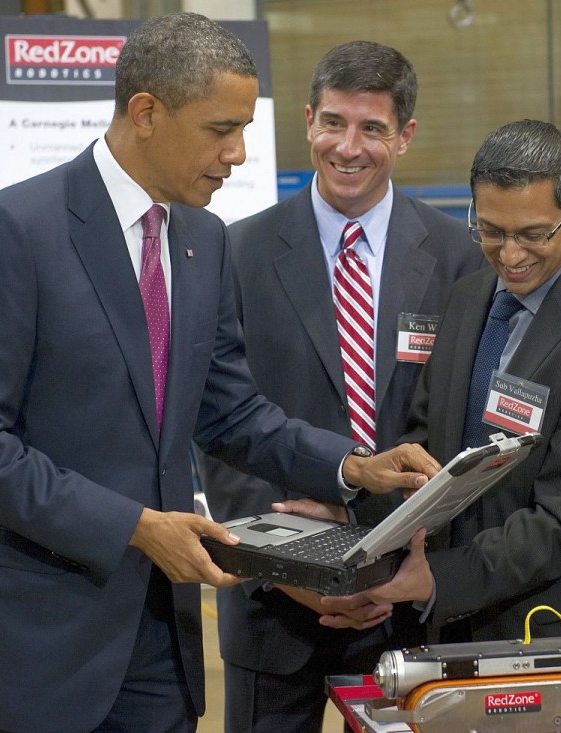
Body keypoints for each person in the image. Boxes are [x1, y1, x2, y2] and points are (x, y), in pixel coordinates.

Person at [0, 15, 436, 733]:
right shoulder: (14, 230)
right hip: (34, 647)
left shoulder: (201, 237)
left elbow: (230, 411)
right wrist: (135, 527)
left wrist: (353, 466)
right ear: (145, 114)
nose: (238, 152)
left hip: (159, 649)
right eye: (220, 128)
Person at [196, 40, 484, 733]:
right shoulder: (233, 252)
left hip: (408, 605)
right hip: (274, 606)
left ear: (406, 136)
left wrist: (386, 558)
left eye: (372, 129)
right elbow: (220, 428)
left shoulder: (459, 259)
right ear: (307, 121)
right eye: (333, 122)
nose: (348, 147)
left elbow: (453, 431)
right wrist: (288, 565)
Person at [282, 119, 561, 644]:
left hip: (558, 627)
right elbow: (429, 456)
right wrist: (353, 516)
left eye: (532, 234)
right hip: (456, 624)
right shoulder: (469, 298)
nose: (510, 255)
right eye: (491, 231)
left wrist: (439, 577)